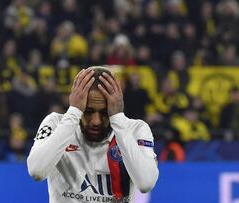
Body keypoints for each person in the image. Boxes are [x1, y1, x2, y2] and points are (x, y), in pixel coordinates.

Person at [27, 66, 158, 202]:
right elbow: (36, 171)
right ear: (77, 104)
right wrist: (73, 113)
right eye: (88, 111)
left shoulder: (136, 130)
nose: (96, 121)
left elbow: (145, 183)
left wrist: (118, 118)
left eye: (105, 112)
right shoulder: (55, 123)